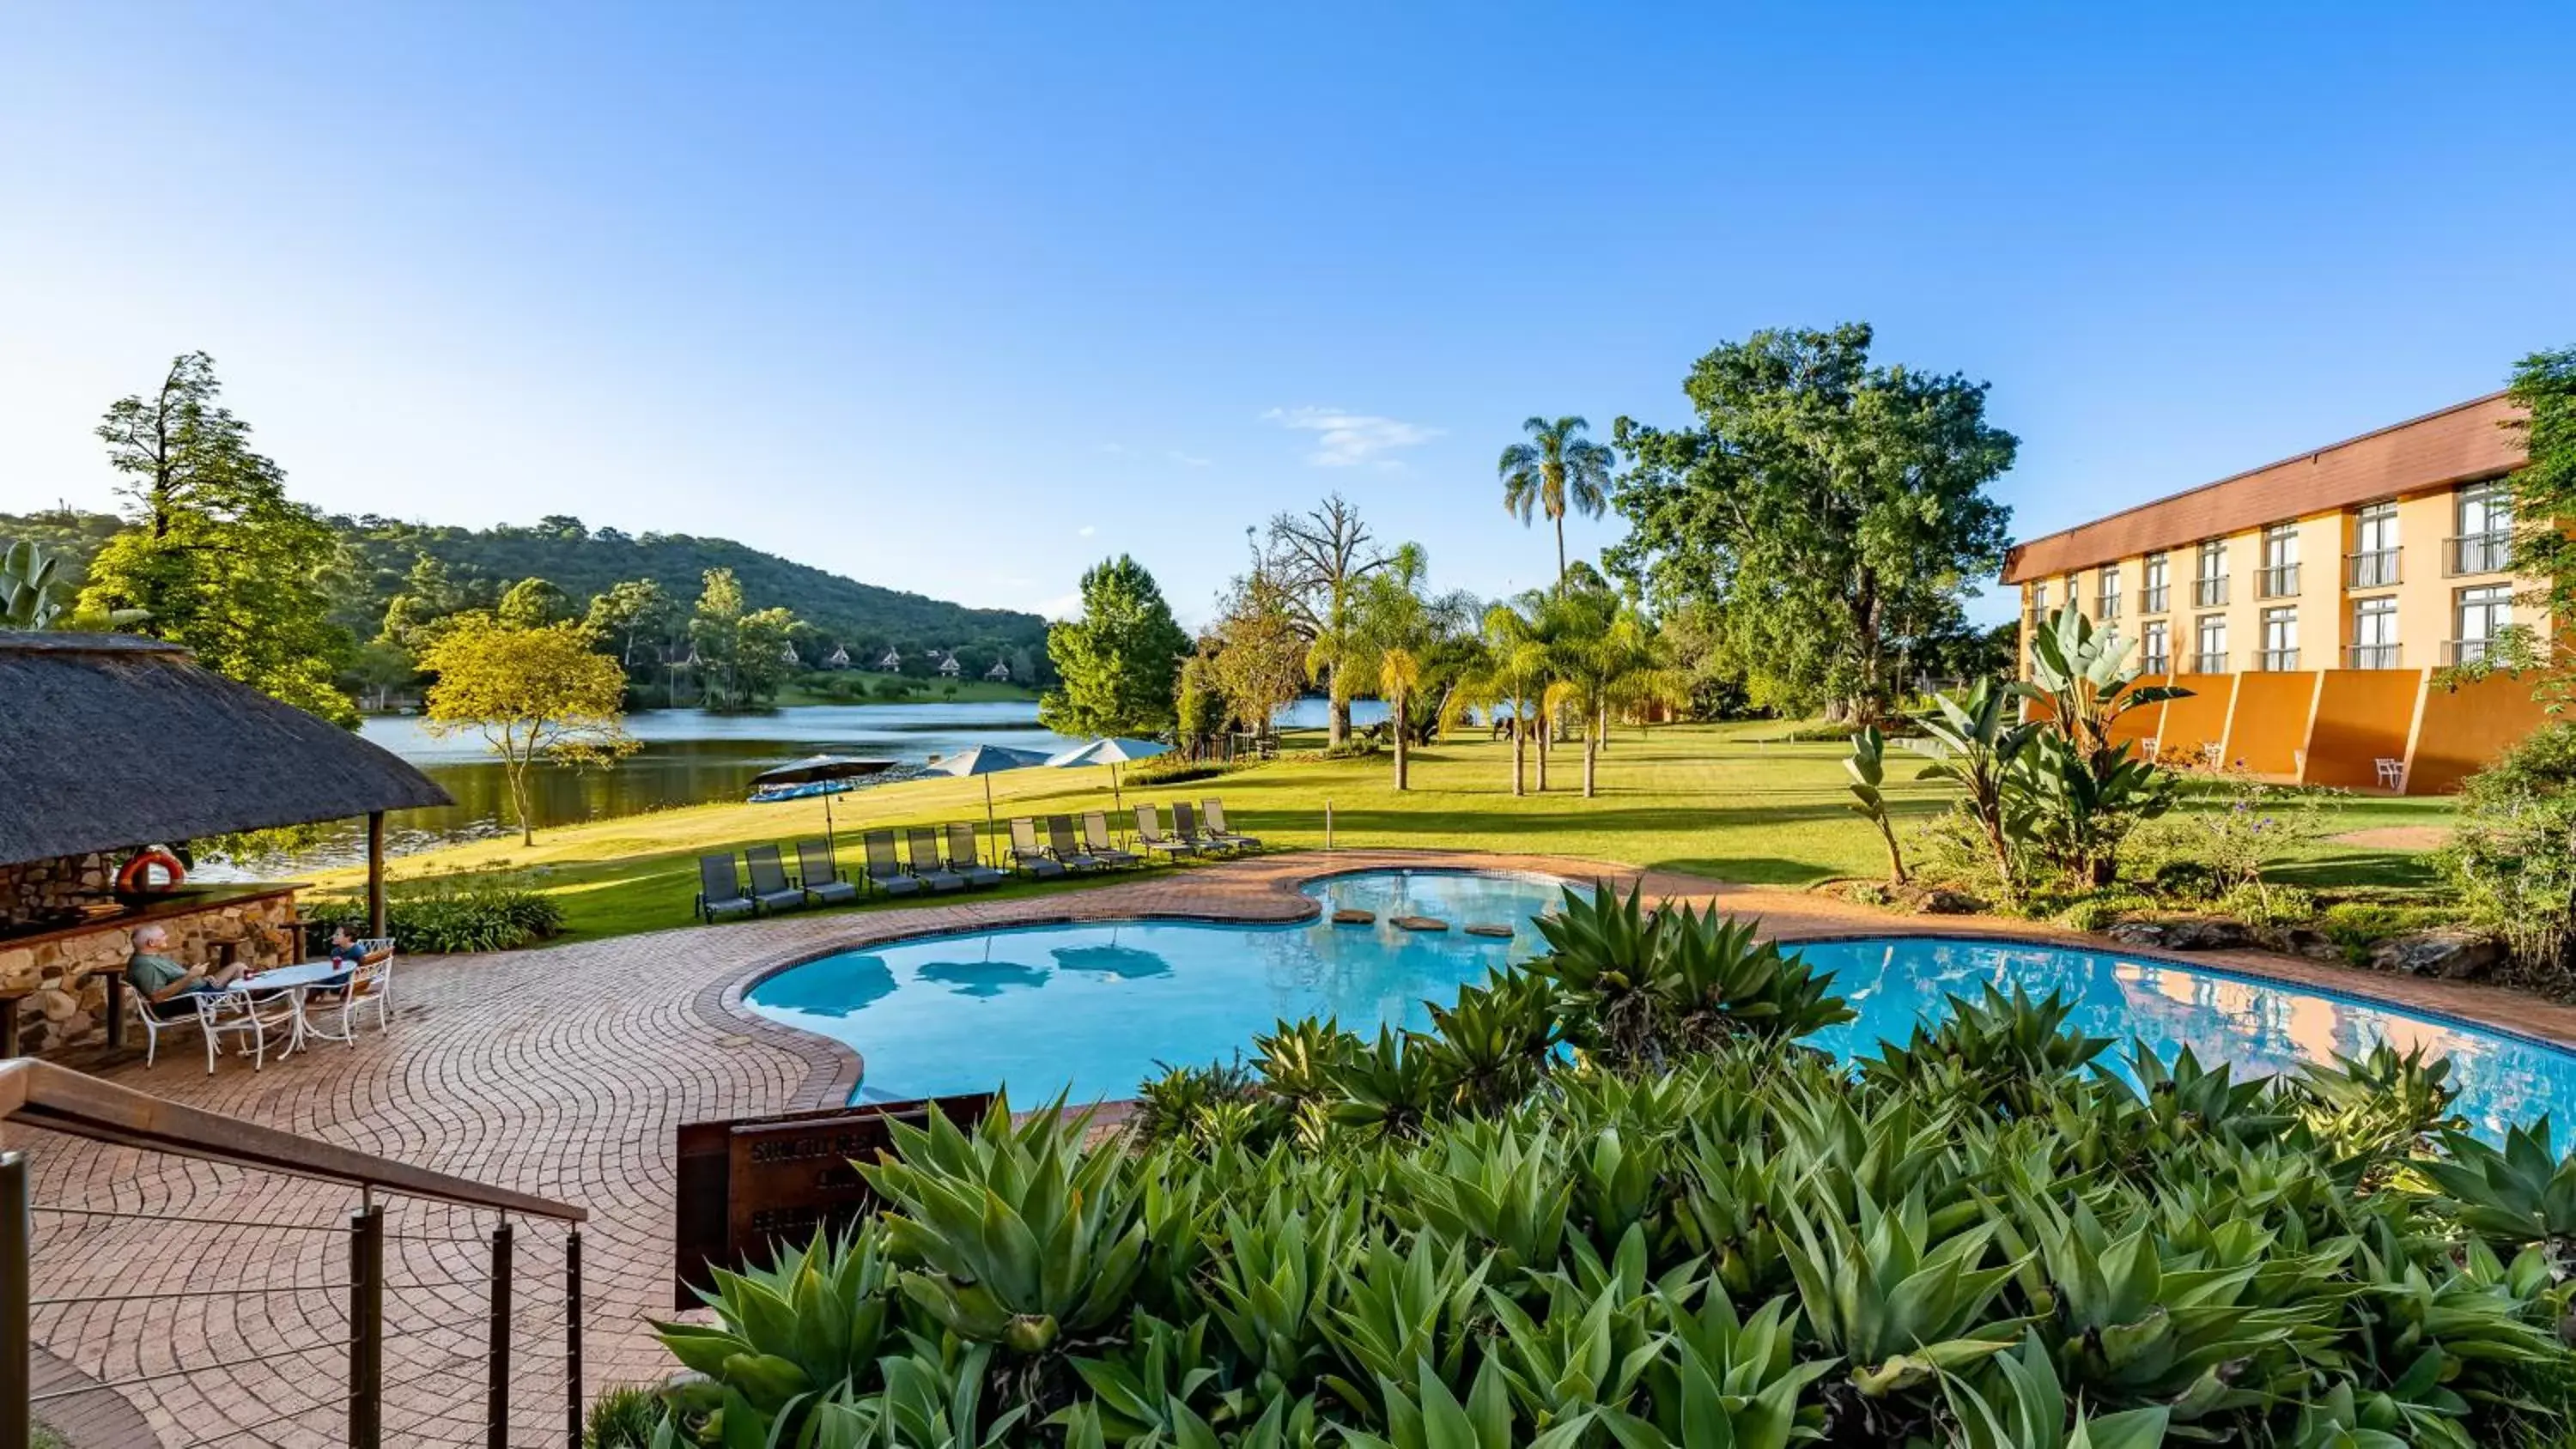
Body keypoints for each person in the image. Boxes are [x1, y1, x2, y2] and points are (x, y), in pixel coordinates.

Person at [123, 925, 244, 1018]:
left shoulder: (152, 957)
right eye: (163, 935)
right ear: (151, 943)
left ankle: (249, 1011)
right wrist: (190, 977)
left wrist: (199, 979)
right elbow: (157, 997)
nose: (167, 937)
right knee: (249, 990)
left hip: (199, 991)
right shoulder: (145, 965)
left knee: (238, 967)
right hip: (191, 1000)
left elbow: (174, 981)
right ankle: (249, 1014)